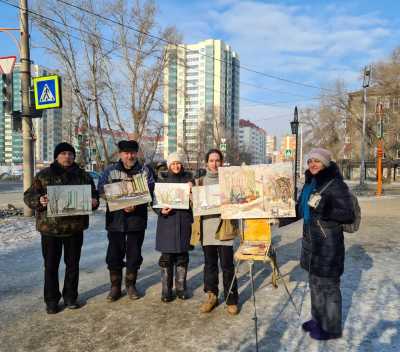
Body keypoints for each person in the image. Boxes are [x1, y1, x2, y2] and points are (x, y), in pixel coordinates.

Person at [24, 142, 99, 314]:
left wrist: (94, 202)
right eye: (64, 153)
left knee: (72, 265)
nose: (67, 156)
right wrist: (39, 201)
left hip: (74, 229)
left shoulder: (82, 176)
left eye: (70, 154)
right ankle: (51, 300)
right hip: (51, 230)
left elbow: (93, 196)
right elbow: (29, 196)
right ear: (57, 156)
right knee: (51, 266)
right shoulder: (44, 175)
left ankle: (70, 297)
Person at [297, 148, 355, 340]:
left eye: (317, 161)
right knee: (314, 284)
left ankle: (331, 328)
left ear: (326, 164)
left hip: (329, 246)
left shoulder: (335, 185)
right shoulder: (309, 184)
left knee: (329, 287)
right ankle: (317, 320)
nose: (312, 164)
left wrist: (327, 208)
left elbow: (348, 214)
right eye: (310, 161)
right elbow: (300, 211)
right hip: (311, 243)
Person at [97, 140, 155, 302]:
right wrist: (120, 201)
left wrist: (136, 202)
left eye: (132, 153)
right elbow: (101, 189)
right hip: (115, 221)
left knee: (134, 254)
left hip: (137, 220)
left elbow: (151, 189)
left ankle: (130, 284)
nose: (129, 156)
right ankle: (115, 286)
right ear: (120, 154)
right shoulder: (110, 171)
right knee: (114, 255)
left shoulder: (145, 171)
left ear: (136, 153)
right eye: (126, 153)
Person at [191, 149, 239, 315]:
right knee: (210, 265)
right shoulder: (199, 183)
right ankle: (211, 296)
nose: (214, 163)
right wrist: (190, 194)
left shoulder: (229, 181)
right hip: (207, 230)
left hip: (224, 229)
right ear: (206, 163)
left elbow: (238, 201)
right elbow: (194, 205)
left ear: (222, 162)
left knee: (227, 266)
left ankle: (231, 299)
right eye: (211, 160)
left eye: (217, 160)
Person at [153, 153, 194, 302]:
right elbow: (155, 201)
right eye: (173, 164)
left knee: (182, 257)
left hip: (183, 222)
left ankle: (181, 287)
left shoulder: (189, 179)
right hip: (167, 223)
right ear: (169, 165)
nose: (176, 166)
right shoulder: (162, 180)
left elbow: (196, 203)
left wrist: (192, 192)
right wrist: (160, 210)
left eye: (178, 163)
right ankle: (166, 290)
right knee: (167, 258)